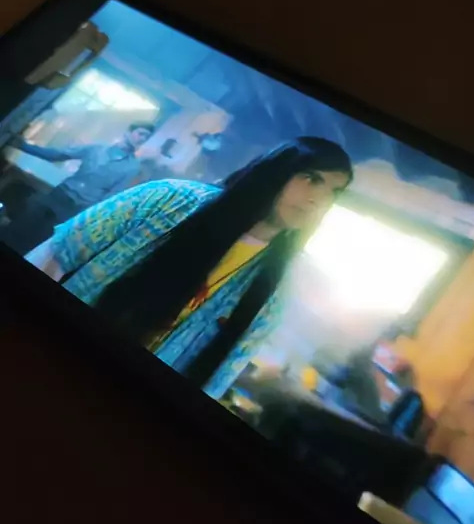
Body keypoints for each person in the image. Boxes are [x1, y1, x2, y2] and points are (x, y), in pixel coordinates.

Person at [27, 137, 353, 400]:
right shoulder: (169, 199)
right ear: (277, 170)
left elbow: (218, 377)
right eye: (312, 178)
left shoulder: (276, 290)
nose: (318, 199)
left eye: (333, 192)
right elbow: (57, 255)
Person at [0, 121, 155, 254]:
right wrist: (22, 145)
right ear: (128, 132)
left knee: (35, 243)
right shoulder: (97, 148)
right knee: (18, 228)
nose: (142, 139)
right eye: (141, 133)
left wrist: (88, 220)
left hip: (75, 209)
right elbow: (58, 155)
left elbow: (111, 195)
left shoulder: (132, 167)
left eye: (146, 137)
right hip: (59, 195)